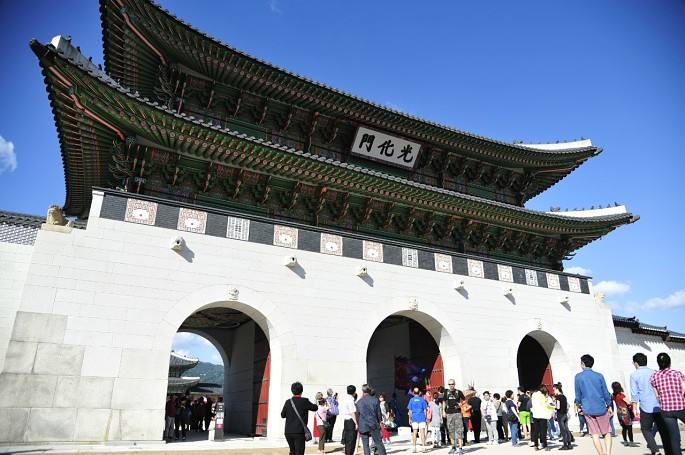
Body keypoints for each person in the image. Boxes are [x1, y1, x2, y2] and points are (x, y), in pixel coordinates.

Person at [574, 354, 613, 455]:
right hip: (601, 407)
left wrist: (577, 404)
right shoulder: (599, 376)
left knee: (594, 434)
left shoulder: (578, 377)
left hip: (588, 408)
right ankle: (608, 453)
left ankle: (601, 454)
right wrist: (609, 404)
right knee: (606, 432)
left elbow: (578, 394)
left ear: (583, 363)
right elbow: (605, 392)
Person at [630, 352, 668, 455]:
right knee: (662, 428)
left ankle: (655, 451)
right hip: (659, 405)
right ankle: (669, 448)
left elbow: (634, 393)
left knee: (645, 428)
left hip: (645, 406)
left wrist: (634, 408)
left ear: (636, 363)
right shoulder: (655, 372)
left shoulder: (634, 375)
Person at [650, 352, 685, 455]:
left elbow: (657, 396)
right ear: (669, 362)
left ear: (658, 363)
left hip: (666, 410)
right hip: (681, 406)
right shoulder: (677, 374)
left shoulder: (654, 377)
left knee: (674, 438)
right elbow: (684, 390)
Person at [281, 381, 318, 455]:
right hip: (299, 432)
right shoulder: (304, 401)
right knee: (299, 452)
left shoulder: (288, 402)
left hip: (288, 432)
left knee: (292, 452)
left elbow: (282, 415)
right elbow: (315, 408)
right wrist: (316, 401)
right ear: (301, 391)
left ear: (292, 391)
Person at [356, 384, 387, 455]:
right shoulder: (375, 400)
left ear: (363, 391)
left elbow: (358, 415)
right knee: (378, 443)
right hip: (373, 424)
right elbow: (378, 413)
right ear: (369, 390)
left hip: (363, 425)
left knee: (365, 445)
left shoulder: (359, 402)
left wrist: (358, 424)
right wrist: (380, 422)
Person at [442, 379, 465, 455]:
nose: (451, 385)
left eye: (452, 384)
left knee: (459, 430)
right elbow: (444, 402)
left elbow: (464, 400)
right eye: (449, 384)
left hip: (457, 413)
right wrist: (443, 411)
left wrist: (461, 404)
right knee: (451, 430)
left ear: (454, 384)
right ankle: (453, 447)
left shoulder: (458, 392)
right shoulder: (446, 392)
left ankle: (460, 448)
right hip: (449, 414)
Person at [610, 382, 635, 447]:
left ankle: (625, 441)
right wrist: (631, 403)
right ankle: (631, 442)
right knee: (629, 427)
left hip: (619, 412)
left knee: (624, 428)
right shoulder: (621, 395)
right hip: (625, 412)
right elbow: (628, 402)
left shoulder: (613, 395)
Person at [531, 385, 554, 451]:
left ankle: (536, 446)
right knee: (543, 431)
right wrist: (553, 407)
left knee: (536, 431)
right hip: (542, 415)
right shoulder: (542, 396)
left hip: (535, 415)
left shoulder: (534, 395)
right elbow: (546, 406)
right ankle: (545, 446)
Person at [407, 386, 429, 453]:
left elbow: (410, 411)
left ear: (413, 393)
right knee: (422, 432)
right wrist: (426, 418)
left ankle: (414, 448)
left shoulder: (411, 400)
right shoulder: (422, 400)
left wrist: (409, 419)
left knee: (414, 432)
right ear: (419, 392)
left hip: (414, 417)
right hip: (422, 417)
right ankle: (423, 447)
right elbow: (425, 410)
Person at [340, 385, 358, 455]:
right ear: (354, 392)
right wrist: (356, 423)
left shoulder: (345, 398)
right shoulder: (351, 400)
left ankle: (347, 453)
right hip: (351, 421)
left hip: (346, 421)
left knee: (347, 440)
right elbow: (352, 412)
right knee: (351, 440)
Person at [553, 383, 572, 450]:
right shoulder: (564, 396)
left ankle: (565, 445)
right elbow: (568, 406)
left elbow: (558, 407)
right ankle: (569, 444)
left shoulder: (558, 397)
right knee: (566, 429)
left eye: (554, 390)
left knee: (563, 430)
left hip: (560, 415)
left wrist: (553, 406)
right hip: (565, 414)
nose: (554, 391)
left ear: (557, 389)